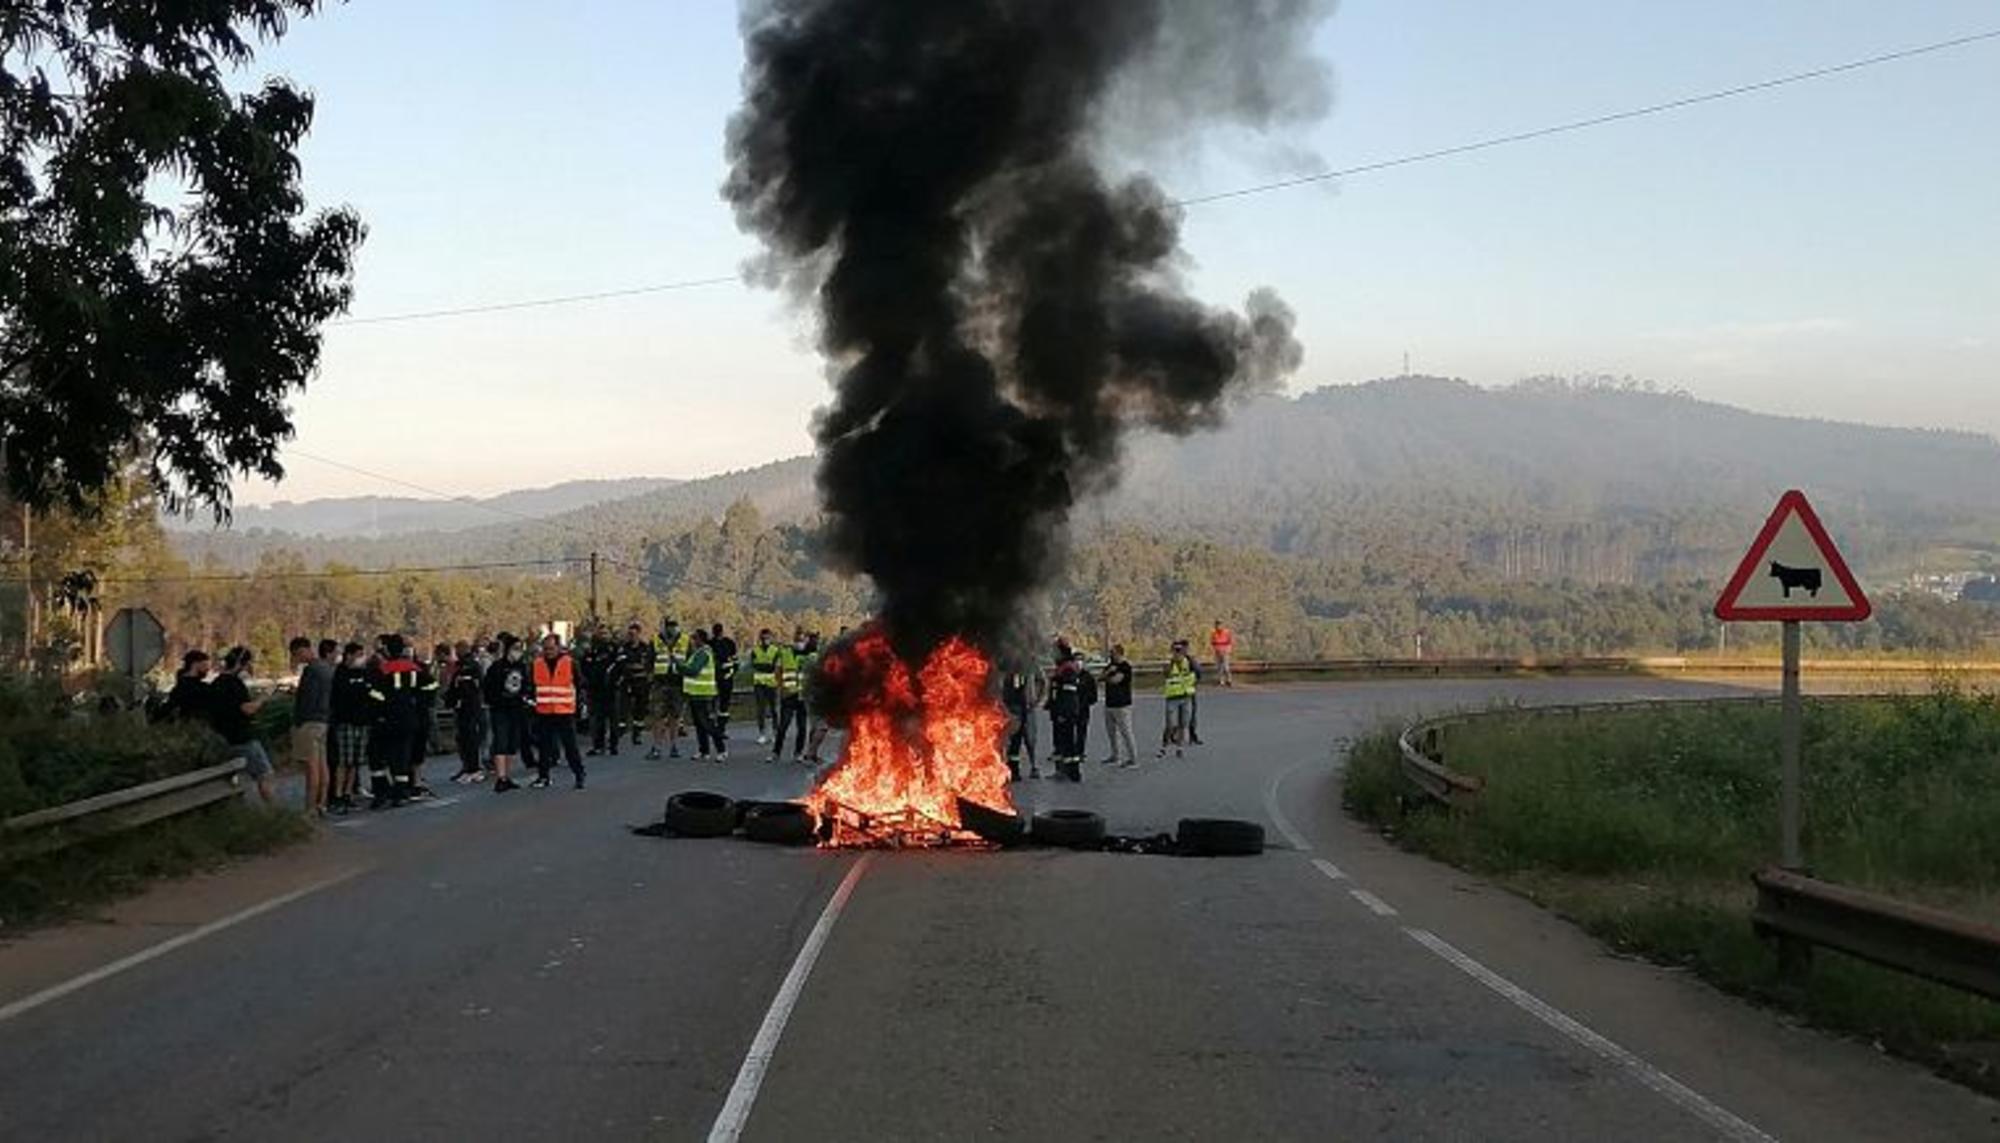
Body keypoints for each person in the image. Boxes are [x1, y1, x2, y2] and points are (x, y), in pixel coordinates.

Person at [369, 635, 433, 809]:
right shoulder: (414, 668)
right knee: (403, 756)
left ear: (387, 650)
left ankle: (381, 794)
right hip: (409, 718)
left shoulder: (383, 669)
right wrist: (419, 700)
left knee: (378, 756)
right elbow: (432, 686)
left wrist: (379, 712)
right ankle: (401, 793)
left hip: (387, 720)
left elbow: (374, 695)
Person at [208, 646, 276, 805]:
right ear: (242, 665)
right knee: (265, 775)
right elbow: (247, 709)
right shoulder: (234, 684)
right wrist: (264, 697)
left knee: (234, 778)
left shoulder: (216, 683)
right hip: (242, 739)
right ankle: (274, 813)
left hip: (222, 738)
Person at [531, 632, 586, 790]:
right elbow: (532, 686)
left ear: (559, 647)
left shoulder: (569, 663)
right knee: (544, 747)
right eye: (546, 648)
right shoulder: (537, 664)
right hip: (544, 711)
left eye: (551, 648)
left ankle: (579, 774)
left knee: (570, 746)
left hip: (564, 711)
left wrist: (580, 704)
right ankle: (543, 776)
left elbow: (579, 684)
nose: (548, 652)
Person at [289, 636, 335, 818]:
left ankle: (310, 807)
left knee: (311, 767)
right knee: (323, 766)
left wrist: (298, 721)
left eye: (296, 655)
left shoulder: (311, 671)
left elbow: (307, 699)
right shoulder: (327, 669)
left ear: (301, 651)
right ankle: (322, 803)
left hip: (309, 722)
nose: (297, 659)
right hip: (324, 720)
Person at [329, 642, 374, 813]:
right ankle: (338, 794)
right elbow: (339, 697)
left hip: (362, 721)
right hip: (345, 721)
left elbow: (369, 692)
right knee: (343, 761)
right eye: (358, 654)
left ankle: (348, 793)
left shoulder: (364, 673)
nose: (361, 658)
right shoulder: (340, 673)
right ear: (349, 655)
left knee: (356, 761)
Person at [483, 632, 531, 793]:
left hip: (516, 709)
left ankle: (507, 776)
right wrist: (497, 702)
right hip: (500, 710)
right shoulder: (497, 668)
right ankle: (500, 777)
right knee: (501, 742)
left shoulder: (522, 667)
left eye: (520, 648)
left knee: (511, 743)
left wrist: (525, 699)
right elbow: (488, 689)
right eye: (515, 648)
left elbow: (526, 686)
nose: (518, 652)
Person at [682, 627, 727, 762]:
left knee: (707, 724)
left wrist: (678, 667)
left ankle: (721, 750)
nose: (692, 640)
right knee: (699, 724)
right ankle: (704, 750)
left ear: (700, 639)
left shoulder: (704, 653)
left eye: (694, 638)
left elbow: (693, 670)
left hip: (704, 694)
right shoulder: (697, 652)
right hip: (695, 693)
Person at [649, 618, 690, 760]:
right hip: (660, 683)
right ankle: (657, 747)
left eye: (674, 626)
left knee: (675, 716)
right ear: (664, 627)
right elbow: (649, 660)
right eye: (669, 626)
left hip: (677, 683)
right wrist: (651, 677)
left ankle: (674, 746)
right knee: (658, 716)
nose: (671, 629)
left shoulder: (685, 640)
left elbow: (689, 660)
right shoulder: (656, 640)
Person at [584, 626, 626, 757]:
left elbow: (622, 666)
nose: (603, 635)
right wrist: (590, 680)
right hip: (596, 690)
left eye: (605, 633)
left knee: (613, 718)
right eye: (601, 633)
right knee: (598, 719)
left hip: (612, 689)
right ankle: (598, 745)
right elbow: (585, 665)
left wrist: (617, 681)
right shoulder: (592, 649)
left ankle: (613, 746)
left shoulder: (615, 649)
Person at [769, 630, 809, 763]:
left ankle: (798, 753)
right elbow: (778, 672)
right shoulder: (785, 654)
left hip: (803, 696)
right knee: (783, 726)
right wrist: (781, 688)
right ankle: (776, 753)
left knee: (802, 727)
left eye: (802, 640)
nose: (800, 643)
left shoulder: (809, 655)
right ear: (794, 640)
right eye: (798, 640)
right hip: (788, 695)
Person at [447, 648, 487, 783]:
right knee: (465, 738)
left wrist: (452, 698)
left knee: (469, 738)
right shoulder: (465, 667)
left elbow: (466, 688)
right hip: (465, 707)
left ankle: (473, 769)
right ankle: (469, 768)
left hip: (469, 707)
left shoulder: (469, 668)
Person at [1045, 652, 1084, 783]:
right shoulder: (1060, 673)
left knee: (1068, 743)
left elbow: (1068, 697)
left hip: (1065, 714)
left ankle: (1073, 772)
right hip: (1058, 714)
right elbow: (1055, 694)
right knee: (1059, 743)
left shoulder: (1068, 673)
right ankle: (1061, 770)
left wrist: (1063, 713)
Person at [1001, 661, 1042, 780]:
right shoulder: (1008, 665)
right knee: (1014, 739)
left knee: (1030, 738)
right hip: (1013, 707)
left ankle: (1034, 766)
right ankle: (1013, 769)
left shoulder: (1031, 665)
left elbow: (1042, 680)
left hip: (1028, 708)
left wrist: (1036, 699)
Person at [1100, 644, 1138, 768]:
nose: (1111, 655)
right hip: (1109, 703)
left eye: (1113, 653)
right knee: (1111, 732)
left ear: (1120, 653)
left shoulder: (1125, 667)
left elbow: (1116, 680)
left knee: (1126, 732)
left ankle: (1133, 758)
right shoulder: (1110, 666)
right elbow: (1100, 678)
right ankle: (1115, 755)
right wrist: (1107, 673)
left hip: (1122, 704)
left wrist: (1109, 674)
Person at [1158, 640, 1196, 759]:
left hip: (1185, 696)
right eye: (1175, 650)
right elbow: (1166, 674)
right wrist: (1173, 662)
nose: (1178, 652)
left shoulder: (1188, 662)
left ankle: (1179, 748)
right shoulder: (1169, 663)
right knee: (1170, 724)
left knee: (1183, 724)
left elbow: (1197, 672)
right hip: (1172, 697)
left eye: (1180, 650)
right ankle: (1164, 746)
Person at [620, 622, 653, 749]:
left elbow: (649, 665)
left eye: (633, 634)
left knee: (640, 709)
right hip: (627, 682)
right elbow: (622, 664)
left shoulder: (645, 648)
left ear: (639, 634)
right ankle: (621, 729)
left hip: (642, 683)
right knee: (623, 707)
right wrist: (634, 667)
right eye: (629, 634)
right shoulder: (623, 648)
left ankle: (637, 733)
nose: (631, 636)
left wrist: (638, 668)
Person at [749, 628, 782, 745]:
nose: (765, 640)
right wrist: (766, 665)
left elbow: (773, 667)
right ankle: (762, 734)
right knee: (761, 710)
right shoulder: (755, 650)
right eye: (763, 638)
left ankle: (775, 732)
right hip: (759, 683)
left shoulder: (775, 650)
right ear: (760, 638)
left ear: (771, 638)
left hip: (772, 684)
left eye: (767, 638)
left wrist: (763, 666)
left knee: (774, 710)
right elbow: (753, 665)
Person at [160, 649, 211, 722]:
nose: (207, 669)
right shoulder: (196, 688)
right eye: (204, 665)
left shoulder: (180, 686)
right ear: (195, 664)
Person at [710, 622, 739, 735]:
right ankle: (715, 728)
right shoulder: (710, 644)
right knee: (715, 704)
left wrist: (731, 673)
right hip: (714, 678)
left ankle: (721, 728)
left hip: (726, 678)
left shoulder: (729, 643)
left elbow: (735, 661)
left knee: (723, 705)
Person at [1209, 620, 1235, 687]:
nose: (1218, 627)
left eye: (1219, 625)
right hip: (1217, 651)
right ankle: (1221, 681)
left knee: (1226, 667)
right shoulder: (1214, 633)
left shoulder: (1226, 632)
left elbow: (1230, 642)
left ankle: (1229, 680)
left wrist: (1228, 650)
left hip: (1225, 651)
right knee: (1219, 667)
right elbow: (1212, 642)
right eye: (1217, 625)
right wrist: (1213, 650)